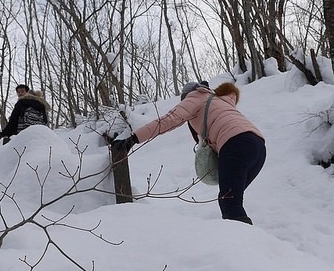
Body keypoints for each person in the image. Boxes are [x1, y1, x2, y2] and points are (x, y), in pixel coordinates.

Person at [113, 81, 266, 225]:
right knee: (229, 200)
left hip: (235, 144)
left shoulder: (195, 97)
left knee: (229, 202)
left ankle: (245, 241)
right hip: (258, 147)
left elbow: (169, 120)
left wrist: (134, 138)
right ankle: (243, 237)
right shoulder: (219, 100)